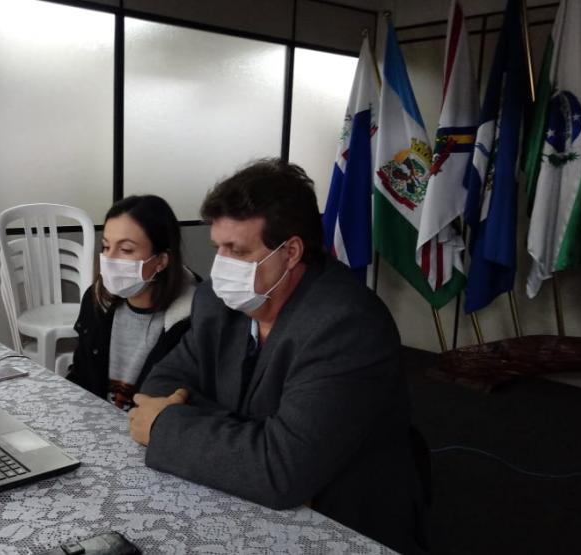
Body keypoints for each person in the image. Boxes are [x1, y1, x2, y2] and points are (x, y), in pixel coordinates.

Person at [127, 159, 427, 554]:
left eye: (237, 251)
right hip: (245, 499)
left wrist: (167, 427)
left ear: (291, 252)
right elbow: (159, 387)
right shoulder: (216, 302)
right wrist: (254, 444)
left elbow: (280, 470)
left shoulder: (346, 325)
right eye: (218, 248)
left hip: (342, 521)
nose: (220, 268)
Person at [66, 195, 199, 410]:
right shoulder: (97, 300)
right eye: (106, 247)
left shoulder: (192, 318)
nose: (110, 259)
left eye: (126, 250)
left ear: (161, 260)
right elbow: (82, 377)